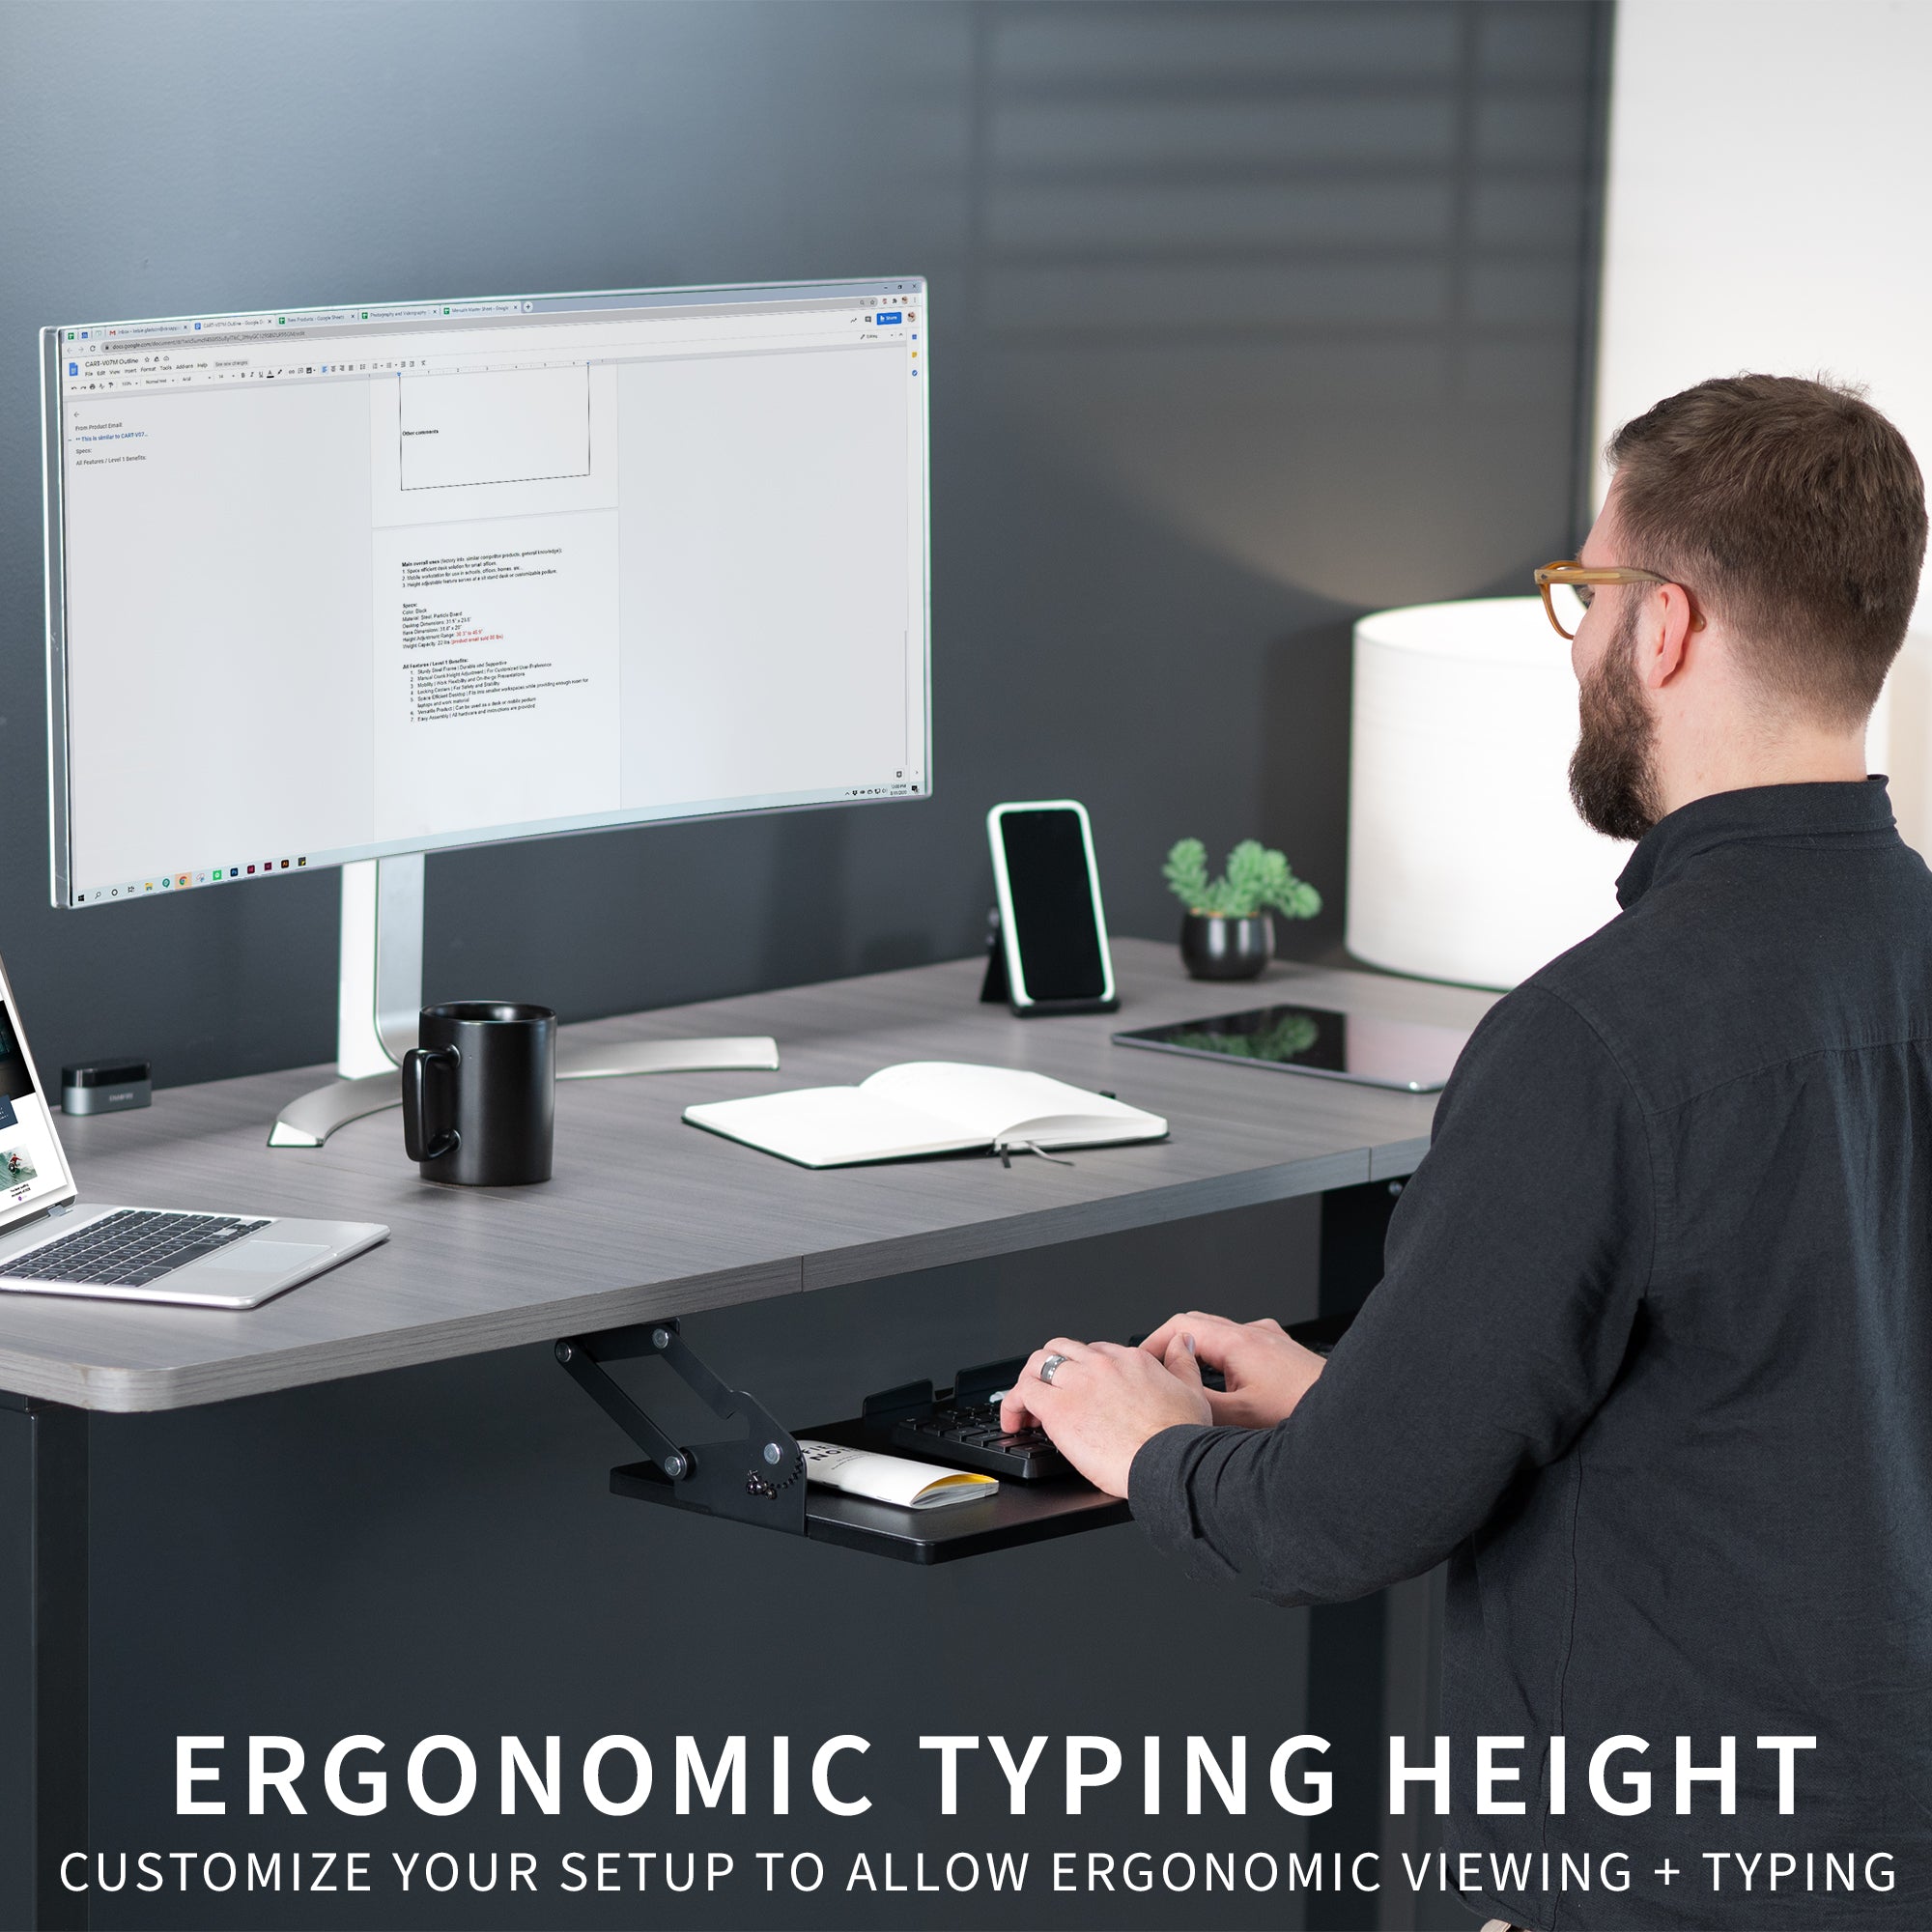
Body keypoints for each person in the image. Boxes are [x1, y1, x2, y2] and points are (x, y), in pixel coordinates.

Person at [1002, 375, 1932, 1929]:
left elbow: (1336, 1522)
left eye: (1581, 592)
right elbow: (1785, 1394)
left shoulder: (1597, 1039)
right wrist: (1363, 1389)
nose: (1575, 643)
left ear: (1666, 627)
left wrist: (1146, 1442)